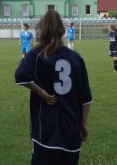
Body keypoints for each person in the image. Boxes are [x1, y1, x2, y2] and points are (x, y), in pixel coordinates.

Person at [15, 10, 92, 165]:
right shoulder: (77, 58)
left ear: (41, 29)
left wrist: (41, 92)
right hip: (72, 127)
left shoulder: (37, 54)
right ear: (62, 30)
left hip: (46, 128)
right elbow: (86, 97)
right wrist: (83, 124)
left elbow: (20, 75)